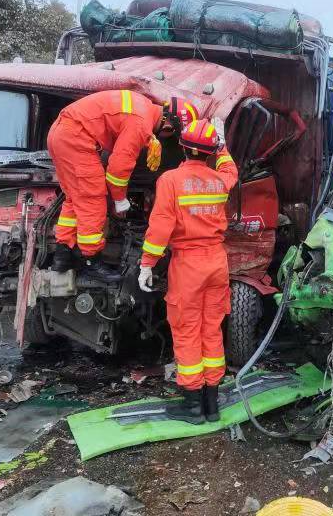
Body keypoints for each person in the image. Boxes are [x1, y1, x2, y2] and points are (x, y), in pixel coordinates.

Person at [138, 108, 238, 424]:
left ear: (182, 147)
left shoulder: (171, 180)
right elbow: (231, 170)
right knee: (212, 329)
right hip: (217, 263)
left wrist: (147, 264)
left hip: (189, 265)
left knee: (186, 329)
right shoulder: (220, 181)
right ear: (209, 152)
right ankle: (212, 404)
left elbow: (160, 227)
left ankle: (193, 406)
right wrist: (222, 145)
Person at [46, 89, 179, 282]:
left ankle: (62, 254)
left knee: (75, 198)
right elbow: (117, 170)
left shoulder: (143, 106)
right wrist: (120, 200)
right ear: (168, 126)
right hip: (75, 137)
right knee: (92, 199)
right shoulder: (141, 123)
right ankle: (91, 260)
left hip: (60, 133)